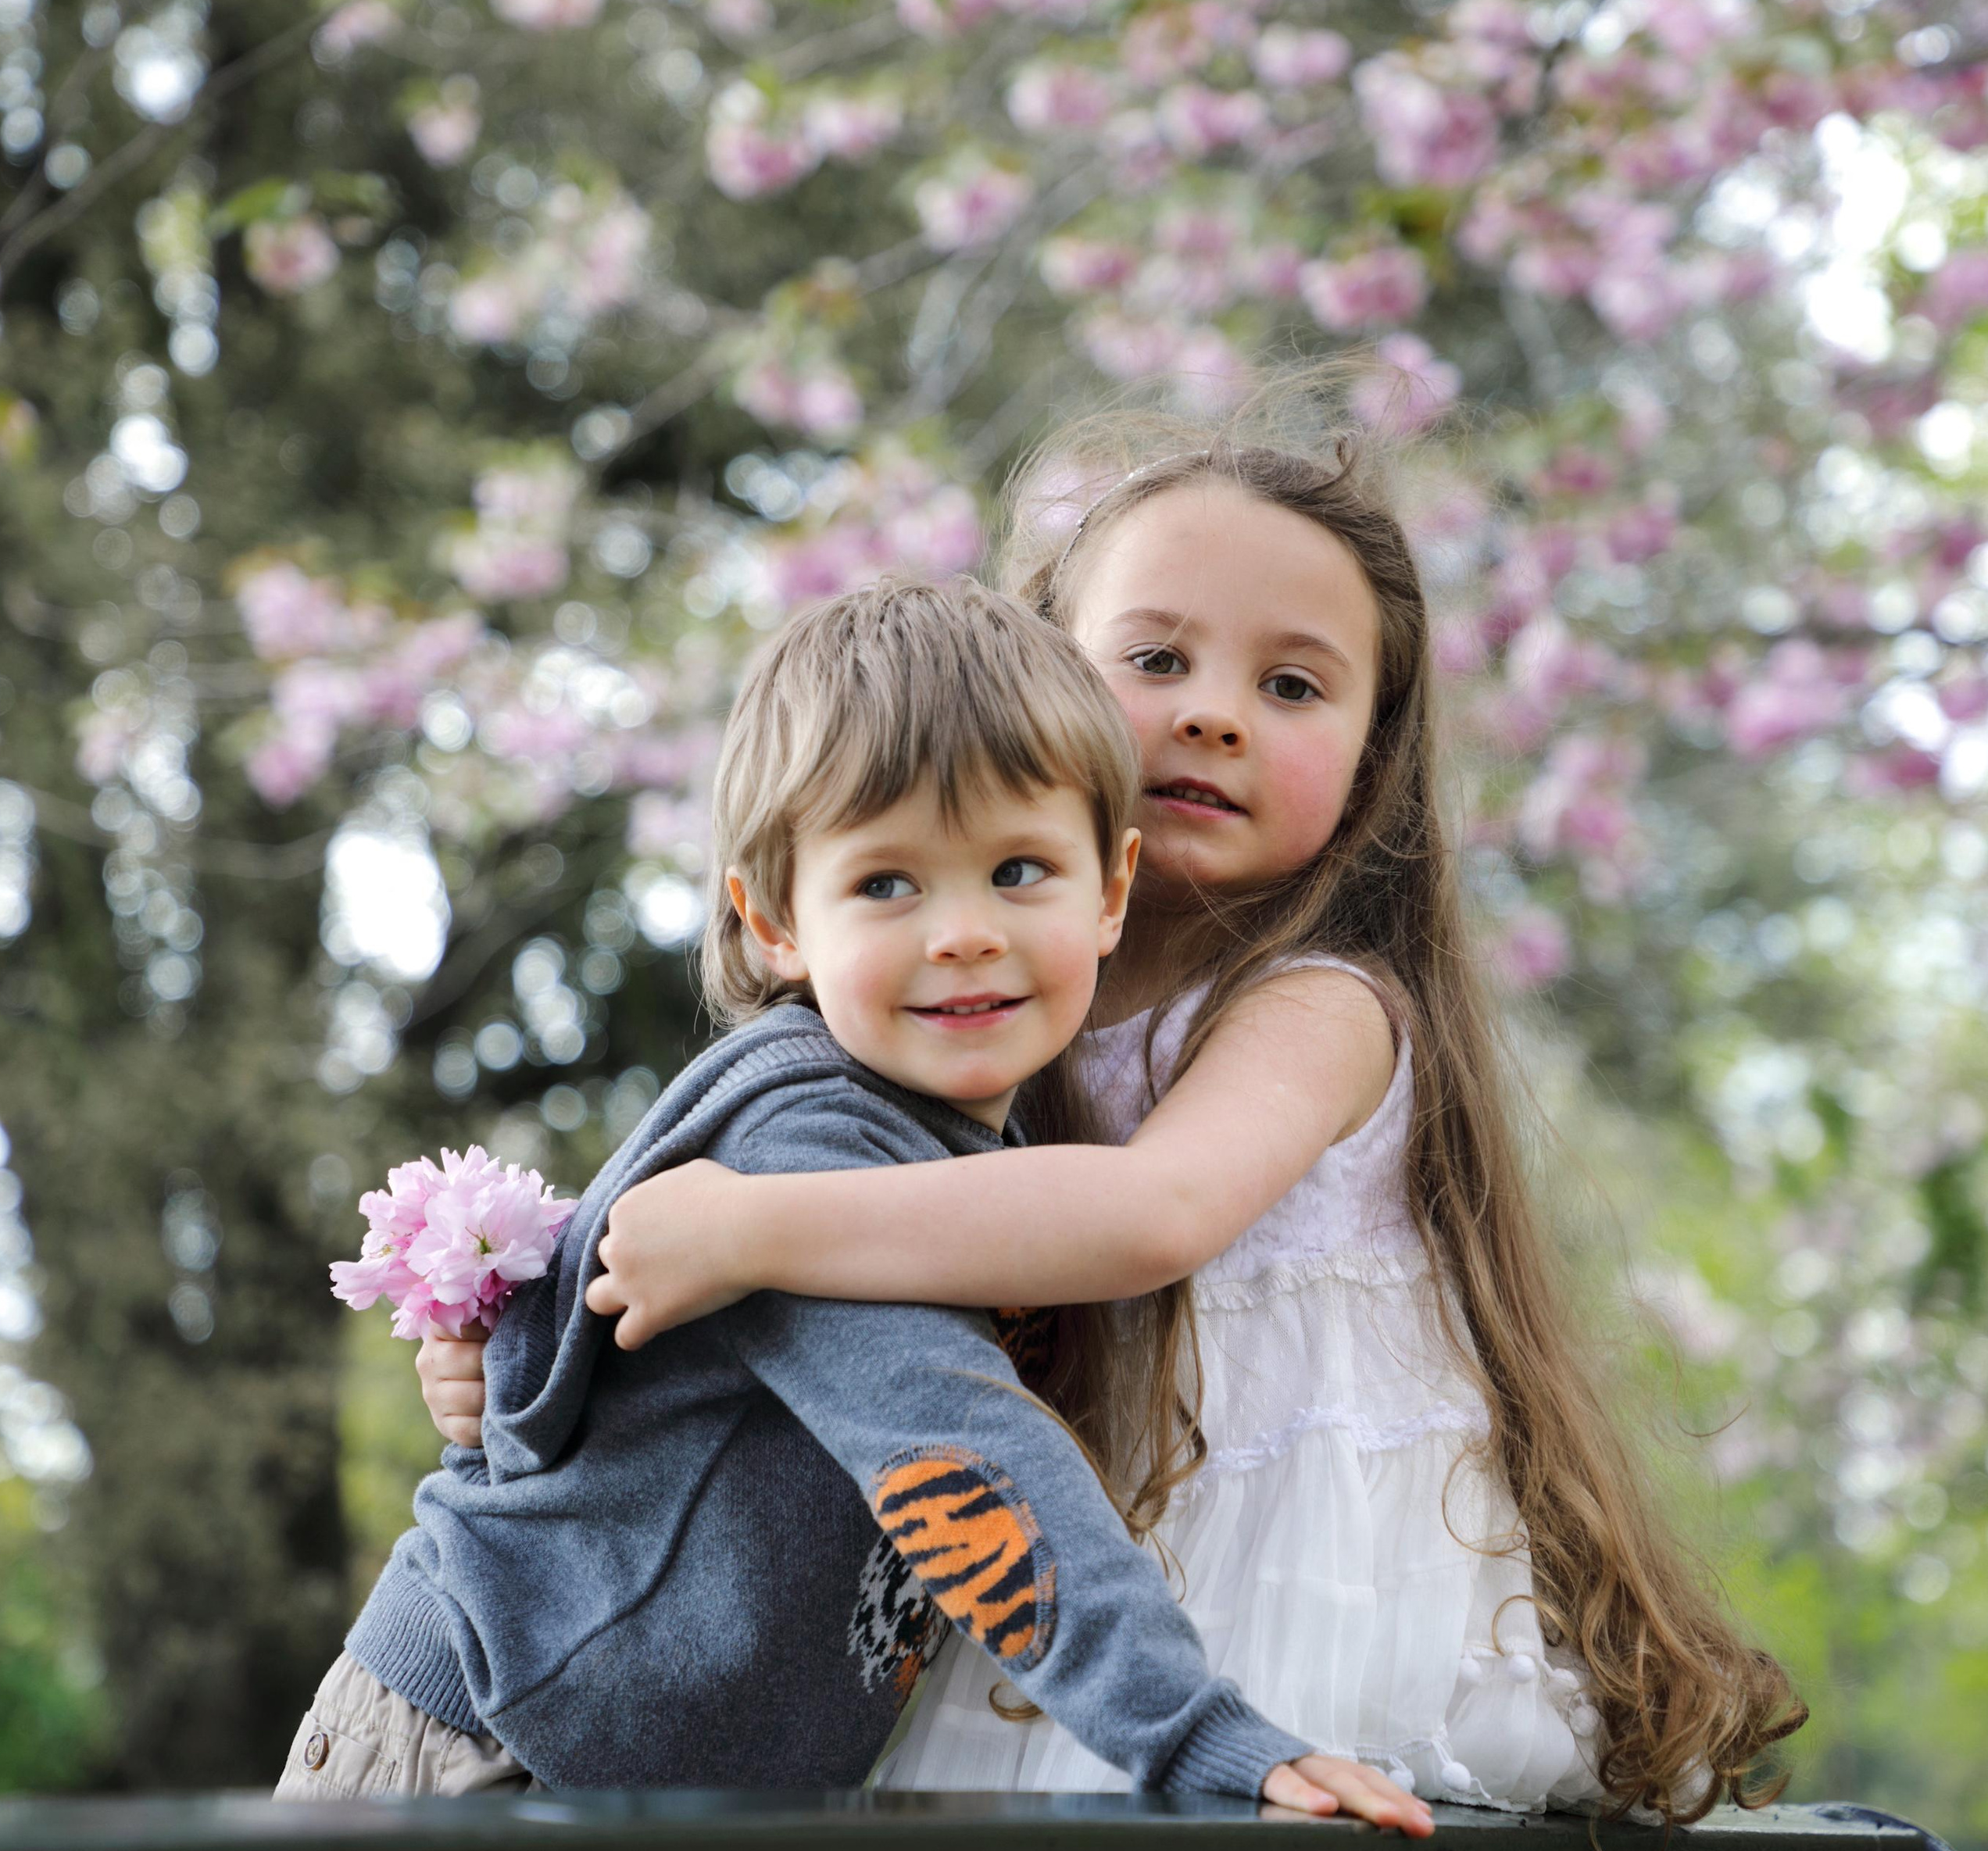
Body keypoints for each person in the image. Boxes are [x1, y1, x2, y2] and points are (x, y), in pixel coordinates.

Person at [559, 370, 1807, 1820]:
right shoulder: (961, 1014)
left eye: (1291, 685)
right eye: (1154, 660)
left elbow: (1154, 1214)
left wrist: (752, 1232)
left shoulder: (1322, 1009)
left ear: (1371, 760)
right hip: (1057, 1573)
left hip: (1285, 1579)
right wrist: (542, 1351)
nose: (1214, 715)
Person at [284, 577, 1428, 1829]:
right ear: (774, 919)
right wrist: (1197, 1735)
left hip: (629, 1764)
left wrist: (498, 1357)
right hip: (494, 1746)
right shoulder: (806, 1140)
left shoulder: (933, 1137)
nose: (964, 933)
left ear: (1109, 889)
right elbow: (963, 1452)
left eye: (1018, 869)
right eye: (888, 884)